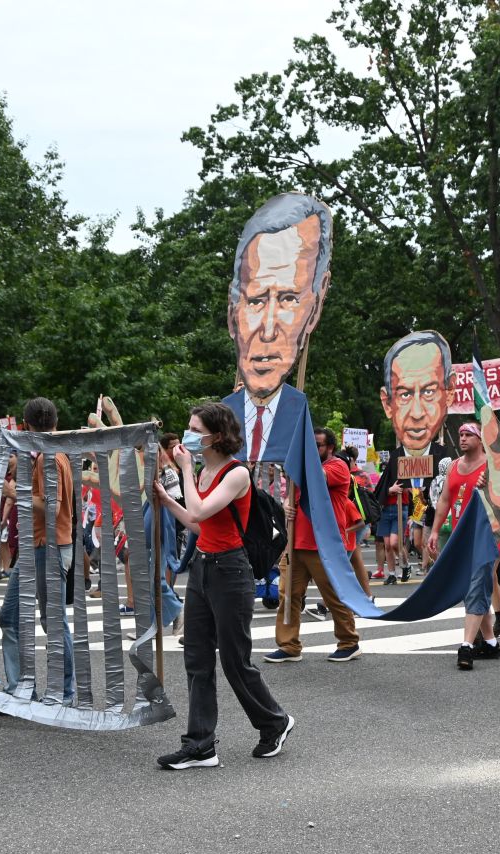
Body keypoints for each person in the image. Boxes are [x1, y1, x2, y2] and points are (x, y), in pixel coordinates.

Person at [153, 402, 294, 769]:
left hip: (232, 572)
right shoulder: (202, 471)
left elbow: (199, 511)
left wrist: (184, 470)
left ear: (216, 435)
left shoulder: (237, 474)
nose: (187, 436)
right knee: (197, 657)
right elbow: (198, 526)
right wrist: (168, 500)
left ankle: (274, 722)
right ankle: (200, 744)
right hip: (202, 567)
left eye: (194, 429)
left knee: (234, 661)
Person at [223, 193, 332, 464]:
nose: (268, 330)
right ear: (232, 311)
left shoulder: (296, 410)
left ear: (316, 304)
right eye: (256, 301)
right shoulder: (223, 416)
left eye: (288, 299)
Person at [0, 398, 75, 700]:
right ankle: (20, 688)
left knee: (52, 622)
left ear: (27, 426)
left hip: (48, 547)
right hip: (39, 547)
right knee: (11, 616)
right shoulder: (51, 454)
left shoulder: (48, 458)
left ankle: (63, 692)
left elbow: (51, 507)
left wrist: (14, 493)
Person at [264, 426, 361, 663]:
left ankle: (349, 641)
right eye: (310, 445)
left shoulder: (337, 466)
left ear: (330, 447)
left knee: (333, 596)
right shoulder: (302, 468)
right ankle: (289, 645)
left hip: (324, 545)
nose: (312, 449)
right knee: (288, 596)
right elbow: (295, 495)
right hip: (296, 544)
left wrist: (298, 456)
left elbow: (316, 480)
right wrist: (288, 504)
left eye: (316, 445)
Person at [373, 331, 455, 583]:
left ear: (449, 393)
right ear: (387, 403)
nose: (417, 413)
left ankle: (440, 569)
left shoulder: (448, 461)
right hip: (408, 515)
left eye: (429, 391)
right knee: (396, 542)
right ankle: (405, 568)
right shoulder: (394, 464)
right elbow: (378, 492)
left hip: (436, 516)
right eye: (405, 394)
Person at [427, 421, 500, 670]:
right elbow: (445, 500)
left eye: (469, 434)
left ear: (480, 439)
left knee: (476, 587)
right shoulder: (455, 467)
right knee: (475, 589)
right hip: (460, 537)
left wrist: (489, 485)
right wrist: (434, 531)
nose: (463, 438)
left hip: (487, 537)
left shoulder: (492, 465)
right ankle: (490, 643)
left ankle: (466, 646)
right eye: (460, 434)